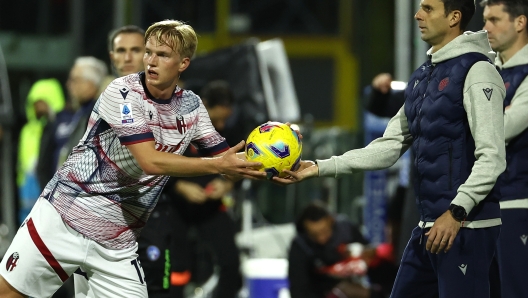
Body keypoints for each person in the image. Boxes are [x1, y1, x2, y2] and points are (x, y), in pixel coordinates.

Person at [0, 20, 265, 298]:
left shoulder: (192, 107)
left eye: (162, 55)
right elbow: (150, 161)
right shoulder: (122, 92)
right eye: (148, 52)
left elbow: (228, 159)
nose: (151, 61)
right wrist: (217, 166)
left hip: (116, 244)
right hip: (64, 220)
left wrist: (279, 168)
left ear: (183, 63)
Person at [276, 0, 507, 297]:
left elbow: (492, 157)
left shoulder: (478, 71)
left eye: (427, 8)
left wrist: (457, 211)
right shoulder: (423, 76)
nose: (417, 14)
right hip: (428, 226)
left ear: (454, 17)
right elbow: (388, 146)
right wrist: (319, 167)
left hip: (465, 227)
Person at [138, 80, 242, 298]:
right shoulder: (173, 127)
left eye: (226, 118)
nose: (221, 125)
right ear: (204, 106)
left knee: (231, 264)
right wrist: (180, 186)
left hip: (211, 207)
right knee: (177, 268)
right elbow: (154, 164)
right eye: (218, 118)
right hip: (175, 208)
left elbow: (239, 168)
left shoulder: (230, 132)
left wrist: (228, 184)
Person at [481, 0, 528, 297]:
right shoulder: (483, 72)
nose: (486, 28)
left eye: (495, 20)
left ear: (520, 23)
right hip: (482, 207)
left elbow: (504, 128)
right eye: (485, 19)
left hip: (518, 203)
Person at [288, 202, 395, 298]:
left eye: (324, 231)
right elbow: (299, 290)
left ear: (331, 221)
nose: (321, 238)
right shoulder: (301, 246)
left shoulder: (347, 231)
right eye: (314, 235)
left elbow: (373, 262)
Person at [37, 57, 108, 188]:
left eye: (75, 80)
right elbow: (45, 162)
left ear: (90, 83)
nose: (69, 84)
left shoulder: (101, 118)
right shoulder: (65, 116)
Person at [17, 79, 65, 223]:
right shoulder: (27, 130)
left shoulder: (58, 128)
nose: (38, 107)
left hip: (50, 181)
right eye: (35, 102)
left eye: (42, 102)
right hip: (28, 182)